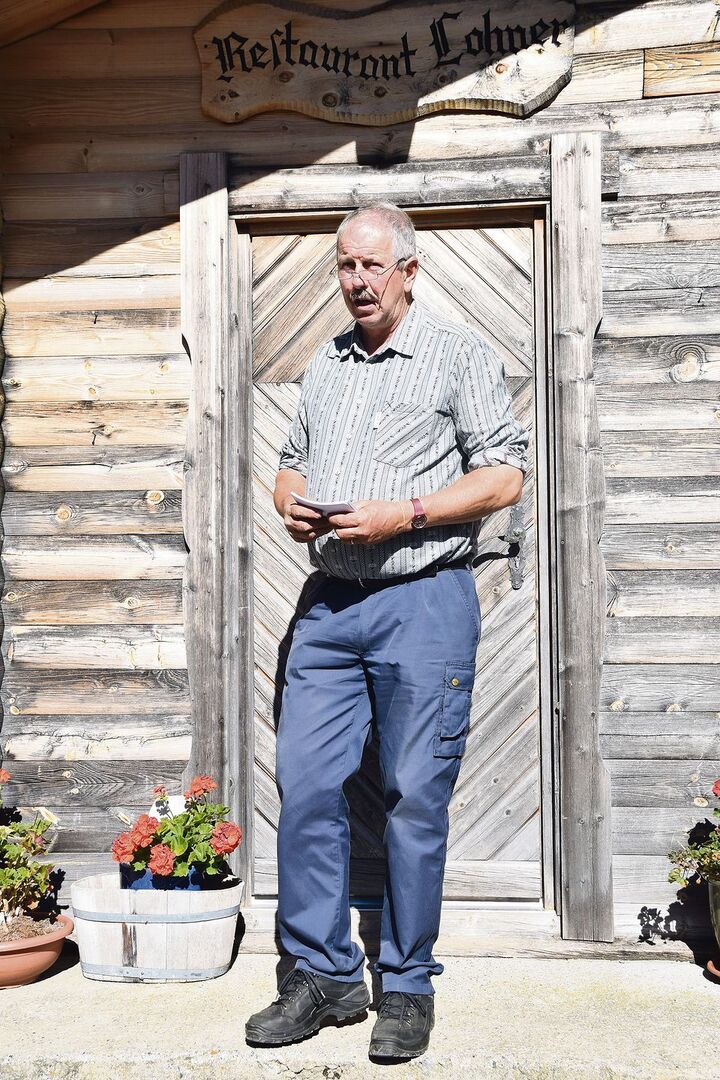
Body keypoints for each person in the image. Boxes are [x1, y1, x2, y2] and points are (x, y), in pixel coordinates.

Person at [245, 202, 529, 1060]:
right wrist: (290, 500)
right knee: (307, 788)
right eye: (346, 265)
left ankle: (406, 985)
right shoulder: (326, 364)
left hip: (424, 602)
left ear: (409, 271)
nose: (358, 281)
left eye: (373, 265)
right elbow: (291, 460)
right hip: (329, 605)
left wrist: (404, 513)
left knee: (413, 800)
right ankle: (323, 977)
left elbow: (504, 476)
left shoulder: (458, 354)